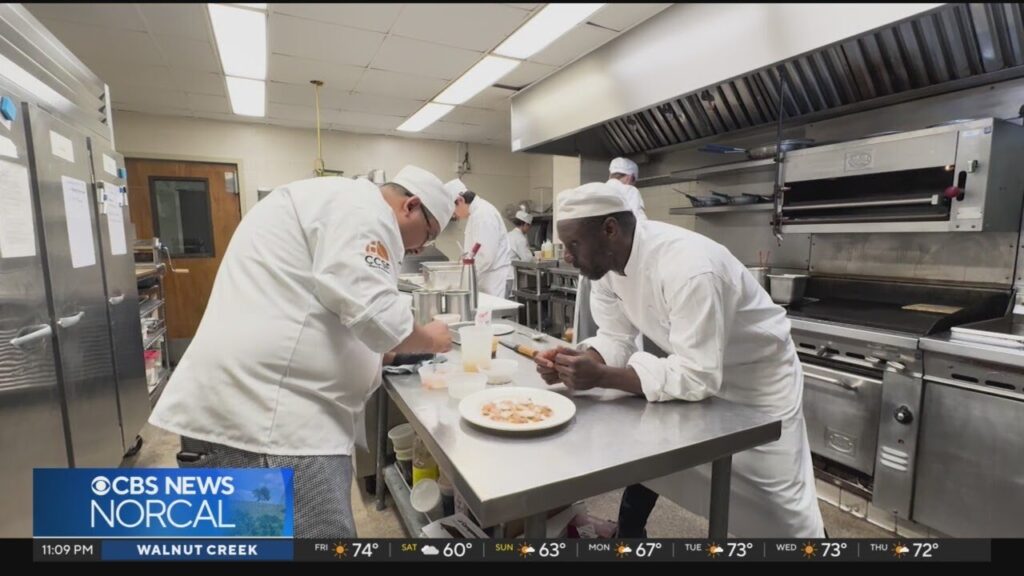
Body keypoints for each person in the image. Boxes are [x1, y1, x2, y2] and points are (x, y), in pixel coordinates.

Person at [149, 166, 457, 538]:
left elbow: (320, 312)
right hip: (272, 428)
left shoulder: (335, 203)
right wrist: (431, 338)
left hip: (260, 416)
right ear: (411, 205)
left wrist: (383, 358)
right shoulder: (361, 208)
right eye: (428, 235)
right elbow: (378, 319)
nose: (420, 249)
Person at [536, 182, 824, 538]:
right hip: (695, 373)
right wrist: (576, 361)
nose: (566, 255)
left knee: (783, 512)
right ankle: (629, 534)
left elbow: (698, 375)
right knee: (660, 464)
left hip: (758, 383)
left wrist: (599, 376)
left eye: (573, 244)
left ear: (609, 229)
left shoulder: (687, 266)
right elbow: (615, 338)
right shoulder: (606, 269)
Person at [445, 178, 514, 298]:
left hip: (495, 280)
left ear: (460, 200)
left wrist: (464, 278)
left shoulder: (483, 215)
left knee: (495, 315)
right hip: (488, 279)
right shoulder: (476, 214)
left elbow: (485, 256)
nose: (454, 216)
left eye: (453, 210)